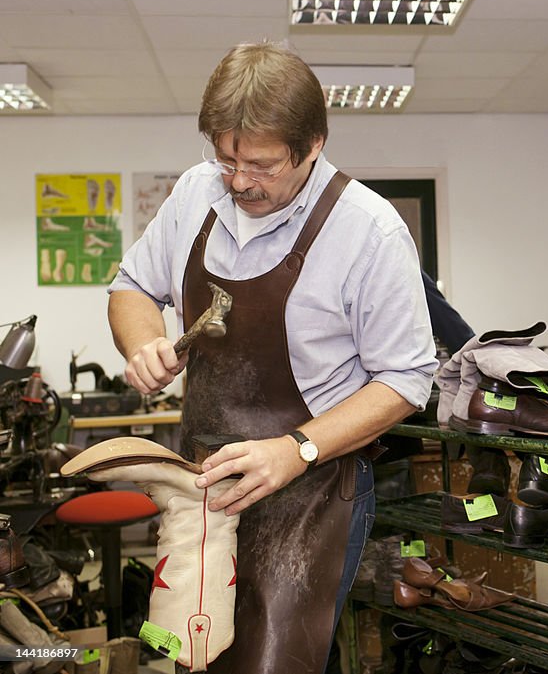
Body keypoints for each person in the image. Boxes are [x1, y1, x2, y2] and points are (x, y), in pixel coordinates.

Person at [107, 42, 437, 674]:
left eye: (259, 165)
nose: (238, 181)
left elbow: (406, 377)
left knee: (276, 661)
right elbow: (131, 286)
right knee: (188, 654)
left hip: (313, 491)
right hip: (203, 486)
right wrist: (143, 340)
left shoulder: (369, 231)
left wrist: (296, 449)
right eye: (226, 158)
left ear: (312, 145)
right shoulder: (195, 194)